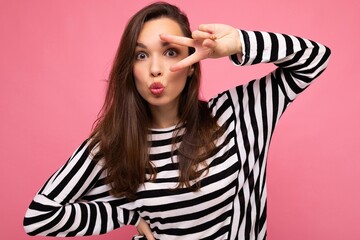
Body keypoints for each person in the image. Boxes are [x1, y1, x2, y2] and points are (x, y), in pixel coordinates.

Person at [23, 2, 331, 240]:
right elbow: (39, 216)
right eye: (141, 56)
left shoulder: (238, 114)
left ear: (193, 65)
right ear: (130, 68)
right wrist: (125, 213)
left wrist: (238, 43)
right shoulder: (113, 143)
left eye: (171, 52)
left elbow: (315, 58)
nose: (156, 68)